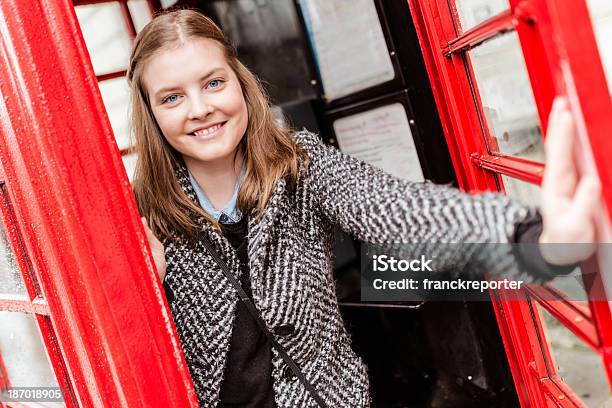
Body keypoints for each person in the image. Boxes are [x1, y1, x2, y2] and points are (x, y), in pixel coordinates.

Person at [129, 9, 600, 408]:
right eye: (172, 97)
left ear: (240, 83)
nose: (199, 108)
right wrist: (144, 286)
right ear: (151, 114)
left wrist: (534, 239)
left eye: (213, 83)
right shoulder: (142, 214)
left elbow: (396, 209)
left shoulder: (300, 165)